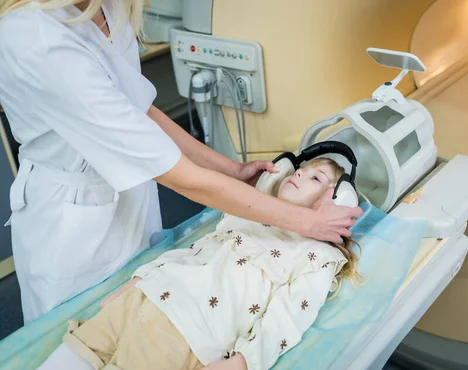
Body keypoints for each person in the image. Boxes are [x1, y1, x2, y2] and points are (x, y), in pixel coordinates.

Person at [0, 0, 363, 323]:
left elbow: (140, 110)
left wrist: (231, 170)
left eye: (315, 181)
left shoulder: (107, 6)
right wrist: (306, 221)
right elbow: (181, 178)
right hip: (72, 222)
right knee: (81, 333)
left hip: (134, 200)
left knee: (143, 317)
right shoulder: (35, 39)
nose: (298, 176)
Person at [38, 158, 362, 370]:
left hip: (185, 329)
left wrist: (244, 362)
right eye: (301, 169)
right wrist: (135, 282)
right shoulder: (246, 215)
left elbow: (289, 317)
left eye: (315, 177)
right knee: (77, 350)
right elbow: (193, 252)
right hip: (147, 295)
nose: (301, 173)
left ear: (337, 200)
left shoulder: (317, 257)